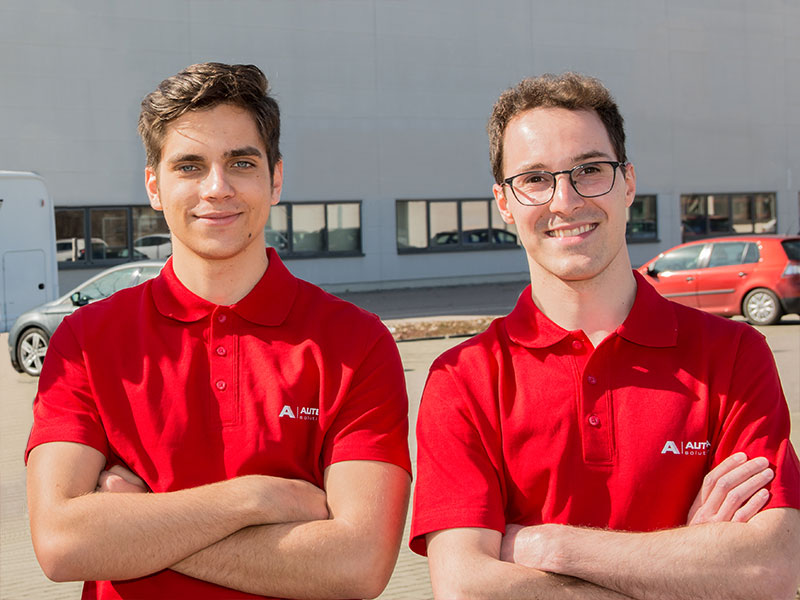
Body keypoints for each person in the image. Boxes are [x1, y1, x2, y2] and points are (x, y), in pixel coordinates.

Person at [26, 62, 411, 600]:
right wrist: (256, 500)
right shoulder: (84, 342)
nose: (216, 187)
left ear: (275, 178)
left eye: (241, 162)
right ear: (154, 187)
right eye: (189, 166)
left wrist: (135, 526)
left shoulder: (355, 344)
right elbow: (62, 545)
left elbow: (357, 565)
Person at [410, 73, 800, 599]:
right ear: (504, 203)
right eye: (534, 179)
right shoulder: (464, 379)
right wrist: (691, 564)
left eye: (590, 170)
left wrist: (549, 547)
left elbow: (775, 566)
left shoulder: (733, 355)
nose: (565, 201)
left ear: (629, 183)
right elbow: (465, 588)